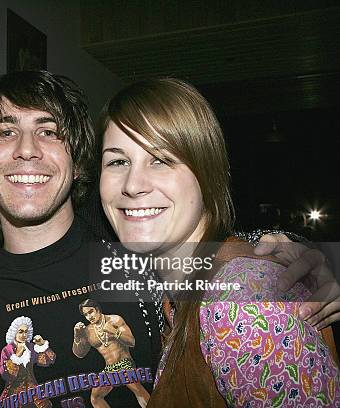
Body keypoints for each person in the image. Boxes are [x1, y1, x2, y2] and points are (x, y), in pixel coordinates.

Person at [0, 70, 338, 408]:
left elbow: (214, 262)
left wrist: (287, 253)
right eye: (5, 131)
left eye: (48, 131)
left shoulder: (128, 262)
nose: (27, 149)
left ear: (78, 163)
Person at [97, 78, 340, 406]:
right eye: (118, 161)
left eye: (160, 159)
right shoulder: (180, 288)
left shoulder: (239, 306)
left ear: (206, 172)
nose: (132, 184)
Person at [73, 299, 149, 407]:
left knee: (136, 388)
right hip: (110, 369)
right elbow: (79, 354)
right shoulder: (88, 331)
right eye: (86, 315)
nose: (89, 316)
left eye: (91, 312)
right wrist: (77, 337)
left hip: (125, 363)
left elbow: (132, 342)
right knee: (95, 397)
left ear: (98, 309)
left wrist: (114, 332)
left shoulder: (115, 320)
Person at [0, 316, 56, 408]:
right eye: (21, 332)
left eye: (26, 332)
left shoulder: (30, 347)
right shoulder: (7, 350)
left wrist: (42, 345)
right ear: (14, 332)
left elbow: (48, 360)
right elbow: (4, 374)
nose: (24, 335)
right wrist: (16, 356)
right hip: (14, 390)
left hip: (32, 388)